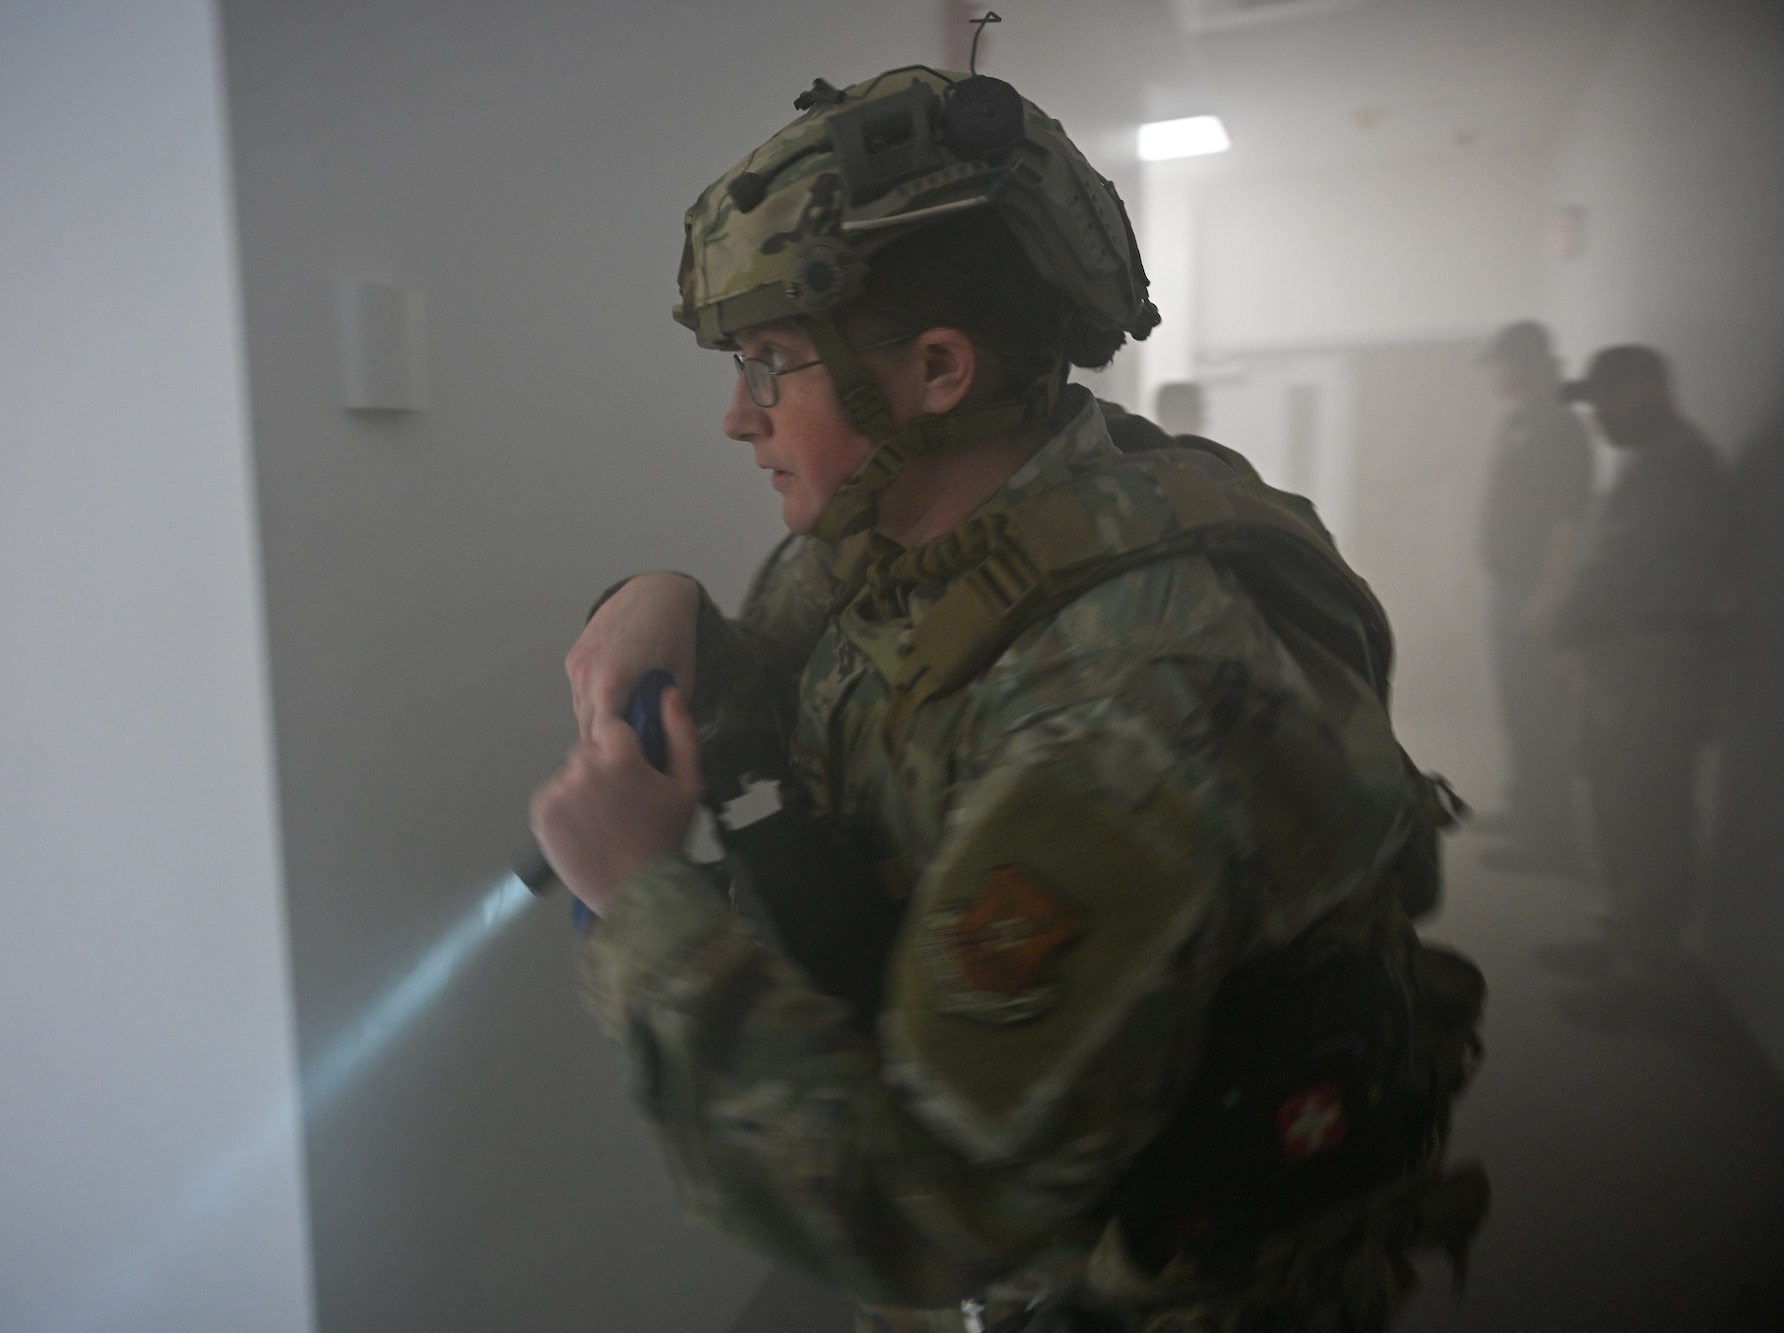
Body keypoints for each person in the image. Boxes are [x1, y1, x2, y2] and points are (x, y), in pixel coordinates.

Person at [530, 66, 1484, 1333]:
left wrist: (639, 909)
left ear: (934, 369)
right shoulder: (912, 532)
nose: (734, 418)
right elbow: (829, 705)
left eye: (770, 365)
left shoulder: (1125, 712)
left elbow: (929, 1211)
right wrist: (669, 604)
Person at [1544, 345, 1731, 1005]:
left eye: (1606, 398)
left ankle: (1645, 971)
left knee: (1650, 815)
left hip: (1657, 662)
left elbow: (1619, 566)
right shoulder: (1653, 461)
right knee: (1619, 804)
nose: (1596, 415)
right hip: (1630, 658)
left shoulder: (1676, 463)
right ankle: (1623, 935)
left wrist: (1558, 623)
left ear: (1649, 387)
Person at [1472, 320, 1595, 872]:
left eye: (1498, 363)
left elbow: (1566, 522)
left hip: (1532, 594)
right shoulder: (1519, 422)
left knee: (1539, 714)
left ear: (1521, 364)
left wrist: (1547, 599)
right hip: (1509, 591)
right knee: (1517, 709)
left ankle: (1550, 839)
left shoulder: (1558, 428)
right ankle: (1526, 810)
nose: (1493, 375)